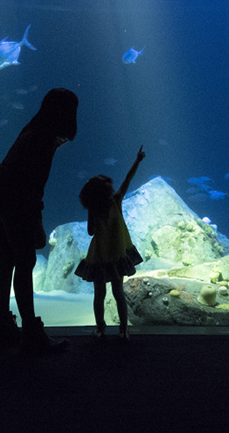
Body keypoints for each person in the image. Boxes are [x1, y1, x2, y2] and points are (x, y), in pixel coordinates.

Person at [0, 87, 78, 354]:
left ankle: (4, 329)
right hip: (12, 197)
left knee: (7, 259)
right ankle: (31, 335)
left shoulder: (33, 129)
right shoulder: (43, 139)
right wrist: (36, 223)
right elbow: (33, 186)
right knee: (25, 261)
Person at [74, 145, 146, 341]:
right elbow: (127, 180)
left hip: (99, 255)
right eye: (109, 185)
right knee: (117, 292)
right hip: (116, 254)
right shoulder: (116, 200)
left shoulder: (93, 209)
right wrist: (137, 161)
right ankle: (123, 329)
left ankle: (101, 328)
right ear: (106, 190)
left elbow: (90, 232)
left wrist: (93, 215)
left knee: (99, 294)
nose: (113, 186)